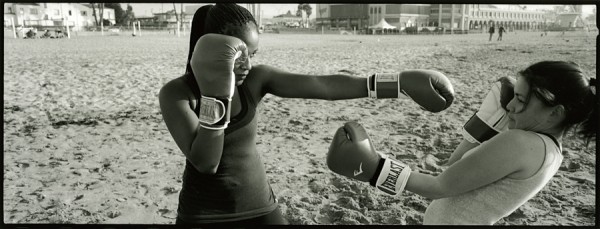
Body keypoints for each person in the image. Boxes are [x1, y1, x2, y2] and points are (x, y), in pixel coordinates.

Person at [158, 3, 455, 226]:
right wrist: (215, 91)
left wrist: (397, 82)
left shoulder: (257, 80)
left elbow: (324, 85)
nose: (248, 64)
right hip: (204, 214)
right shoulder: (176, 94)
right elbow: (206, 161)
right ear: (213, 49)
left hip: (261, 206)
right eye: (240, 54)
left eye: (254, 54)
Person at [327, 60, 597, 225]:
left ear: (555, 112)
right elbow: (454, 171)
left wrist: (375, 169)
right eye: (515, 95)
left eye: (522, 101)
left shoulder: (521, 143)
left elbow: (438, 186)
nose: (511, 105)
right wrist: (481, 128)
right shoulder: (549, 150)